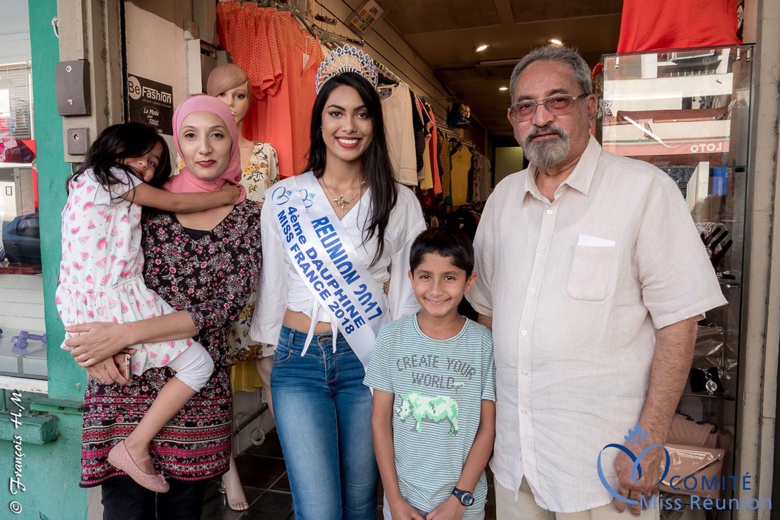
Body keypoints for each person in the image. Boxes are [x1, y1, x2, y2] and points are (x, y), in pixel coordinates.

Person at [466, 46, 727, 519]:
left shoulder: (643, 190)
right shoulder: (502, 200)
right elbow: (487, 316)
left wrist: (649, 439)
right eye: (525, 106)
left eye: (557, 101)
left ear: (591, 106)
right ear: (513, 118)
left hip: (605, 466)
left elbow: (679, 322)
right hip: (517, 461)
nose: (540, 117)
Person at [64, 95, 262, 519]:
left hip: (195, 396)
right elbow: (83, 270)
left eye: (217, 135)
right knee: (124, 512)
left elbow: (226, 304)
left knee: (184, 511)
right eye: (191, 136)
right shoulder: (142, 202)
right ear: (181, 145)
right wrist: (91, 351)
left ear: (233, 141)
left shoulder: (248, 217)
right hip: (121, 380)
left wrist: (126, 334)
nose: (204, 148)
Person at [251, 45, 427, 520]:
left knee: (359, 502)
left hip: (367, 361)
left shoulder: (401, 201)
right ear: (320, 120)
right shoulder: (284, 196)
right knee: (318, 509)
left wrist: (398, 362)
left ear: (375, 124)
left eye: (361, 114)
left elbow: (406, 292)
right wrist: (269, 352)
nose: (348, 126)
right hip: (297, 359)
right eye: (336, 113)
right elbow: (273, 278)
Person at [365, 226, 496, 520]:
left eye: (449, 277)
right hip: (404, 500)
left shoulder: (483, 343)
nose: (436, 290)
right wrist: (394, 499)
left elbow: (487, 429)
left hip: (463, 503)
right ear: (411, 278)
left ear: (469, 281)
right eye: (425, 276)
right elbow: (380, 419)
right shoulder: (391, 338)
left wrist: (459, 499)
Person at [206, 61, 280, 512]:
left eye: (240, 95)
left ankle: (297, 453)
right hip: (214, 282)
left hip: (260, 278)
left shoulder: (265, 154)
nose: (232, 106)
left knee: (276, 372)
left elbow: (274, 219)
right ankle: (227, 473)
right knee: (216, 381)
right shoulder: (191, 152)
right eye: (222, 96)